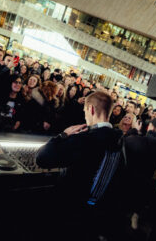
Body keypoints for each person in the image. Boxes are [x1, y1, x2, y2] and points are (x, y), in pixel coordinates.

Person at [35, 91, 123, 240]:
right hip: (94, 214)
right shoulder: (119, 137)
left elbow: (42, 158)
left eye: (85, 111)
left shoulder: (85, 139)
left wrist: (63, 135)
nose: (85, 115)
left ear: (91, 109)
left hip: (68, 211)